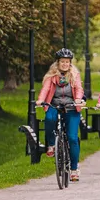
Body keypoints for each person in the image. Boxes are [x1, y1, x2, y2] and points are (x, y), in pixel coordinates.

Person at [38, 49, 85, 181]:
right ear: (58, 63)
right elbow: (45, 89)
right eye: (62, 62)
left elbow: (78, 89)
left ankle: (74, 169)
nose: (65, 64)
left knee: (72, 138)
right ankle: (52, 144)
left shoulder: (74, 74)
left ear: (70, 63)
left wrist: (78, 100)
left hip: (71, 106)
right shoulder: (52, 75)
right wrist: (41, 100)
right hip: (54, 104)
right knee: (49, 118)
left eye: (67, 62)